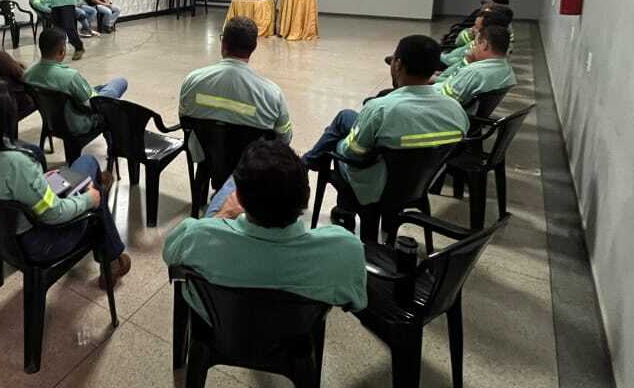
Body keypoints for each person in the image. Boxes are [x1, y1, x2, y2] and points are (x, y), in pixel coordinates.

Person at [0, 75, 131, 289]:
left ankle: (96, 192)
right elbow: (53, 214)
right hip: (40, 242)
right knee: (96, 195)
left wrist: (36, 183)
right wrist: (87, 201)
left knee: (87, 162)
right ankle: (112, 259)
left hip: (2, 235)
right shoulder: (16, 162)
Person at [162, 140, 367, 323]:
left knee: (231, 183)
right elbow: (356, 301)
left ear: (241, 201)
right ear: (305, 198)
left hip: (219, 325)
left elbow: (170, 254)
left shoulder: (196, 236)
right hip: (295, 332)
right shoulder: (345, 249)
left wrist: (224, 214)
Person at [303, 35, 469, 208]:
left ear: (397, 64)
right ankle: (308, 162)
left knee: (341, 137)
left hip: (377, 189)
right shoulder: (456, 110)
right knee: (346, 117)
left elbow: (352, 153)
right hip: (419, 186)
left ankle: (343, 208)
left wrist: (340, 144)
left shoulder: (381, 109)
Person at [179, 17, 292, 164]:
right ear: (253, 47)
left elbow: (184, 120)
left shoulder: (192, 81)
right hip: (251, 169)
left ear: (223, 43)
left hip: (208, 159)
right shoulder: (272, 95)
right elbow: (285, 139)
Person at [24, 26, 127, 137]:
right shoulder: (70, 76)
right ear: (62, 51)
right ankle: (113, 142)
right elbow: (91, 106)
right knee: (120, 83)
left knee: (102, 87)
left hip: (51, 121)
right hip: (78, 124)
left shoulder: (28, 73)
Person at [435, 25, 516, 106]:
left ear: (484, 45)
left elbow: (443, 99)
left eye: (475, 44)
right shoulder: (508, 70)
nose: (473, 48)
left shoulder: (473, 72)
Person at [440, 5, 513, 69]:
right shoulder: (483, 41)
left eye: (476, 27)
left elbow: (457, 63)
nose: (472, 29)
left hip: (445, 62)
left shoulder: (481, 47)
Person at [442, 0, 510, 47]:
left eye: (485, 2)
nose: (482, 5)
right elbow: (462, 25)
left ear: (496, 4)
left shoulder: (491, 18)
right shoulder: (479, 12)